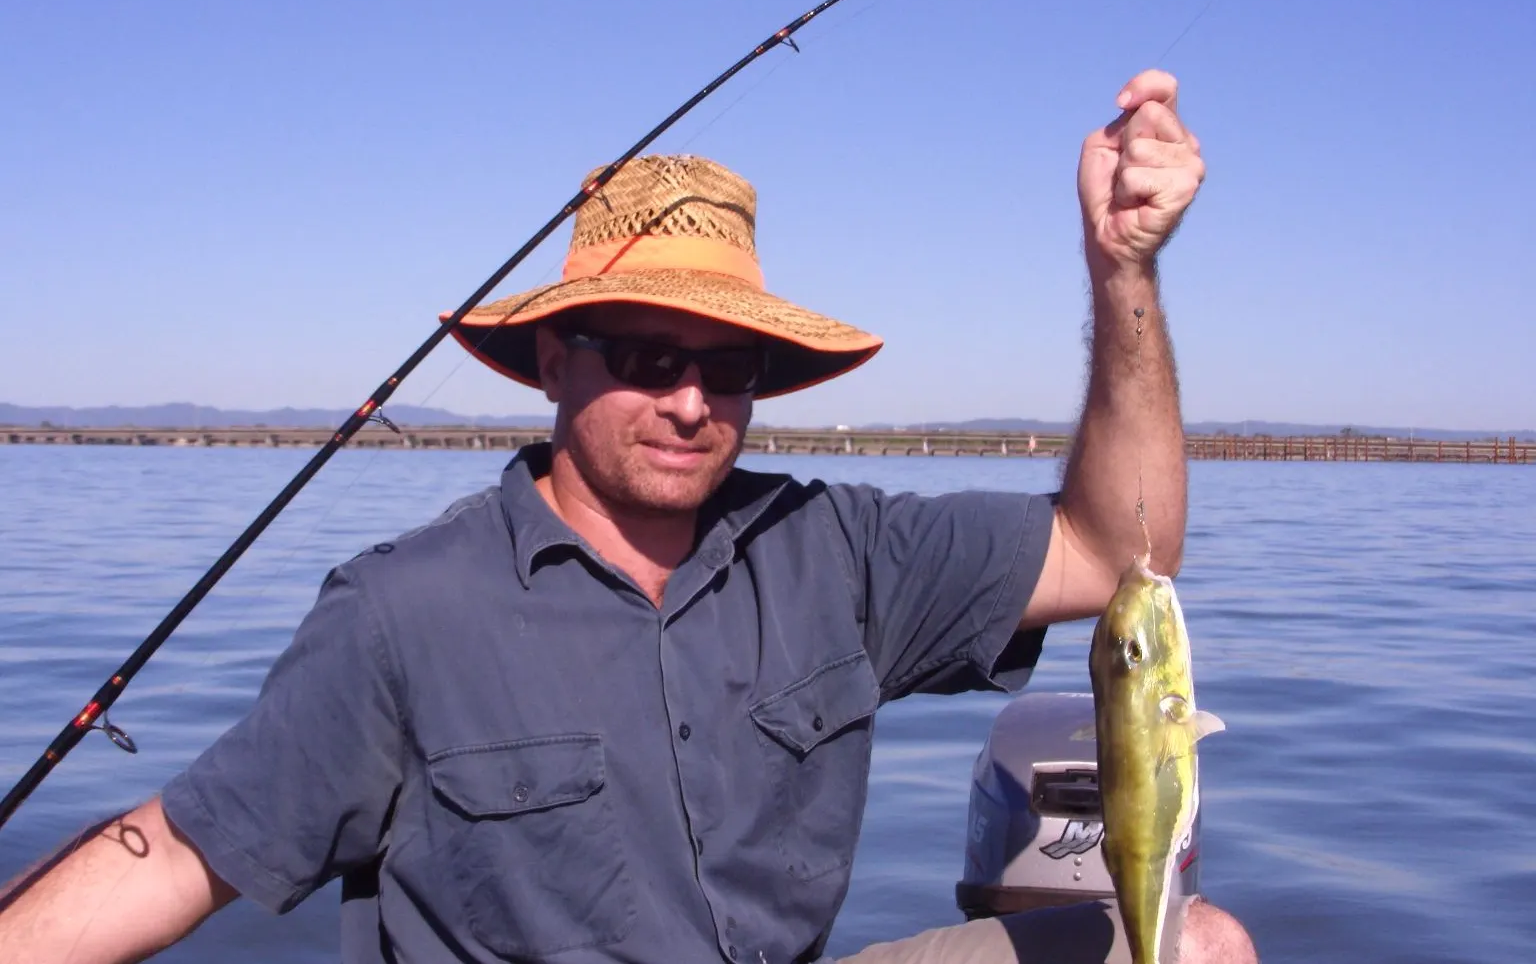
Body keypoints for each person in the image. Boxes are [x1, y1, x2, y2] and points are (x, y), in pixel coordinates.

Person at [0, 69, 1257, 963]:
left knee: (1198, 943)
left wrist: (1124, 272)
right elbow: (174, 853)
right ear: (553, 363)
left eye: (732, 364)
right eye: (644, 355)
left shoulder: (840, 552)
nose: (692, 397)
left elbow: (1114, 550)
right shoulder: (406, 612)